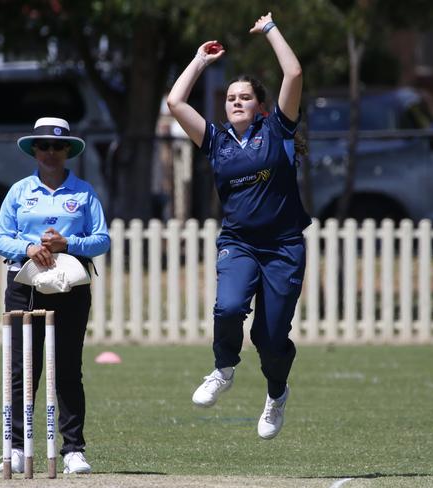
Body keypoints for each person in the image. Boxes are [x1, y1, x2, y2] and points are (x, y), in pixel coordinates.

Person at [166, 13, 310, 440]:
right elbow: (175, 103)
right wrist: (198, 61)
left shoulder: (278, 130)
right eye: (230, 97)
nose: (236, 102)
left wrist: (269, 30)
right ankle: (223, 368)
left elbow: (294, 71)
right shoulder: (216, 141)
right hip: (239, 244)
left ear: (259, 105)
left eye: (244, 97)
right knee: (228, 308)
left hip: (283, 247)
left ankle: (276, 394)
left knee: (270, 337)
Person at [0, 117, 110, 473]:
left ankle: (73, 449)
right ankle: (13, 447)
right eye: (43, 146)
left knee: (68, 368)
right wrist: (28, 247)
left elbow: (102, 239)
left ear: (68, 150)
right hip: (24, 284)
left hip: (70, 285)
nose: (51, 152)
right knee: (21, 369)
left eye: (58, 146)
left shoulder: (84, 192)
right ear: (34, 151)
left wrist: (67, 244)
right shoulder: (19, 191)